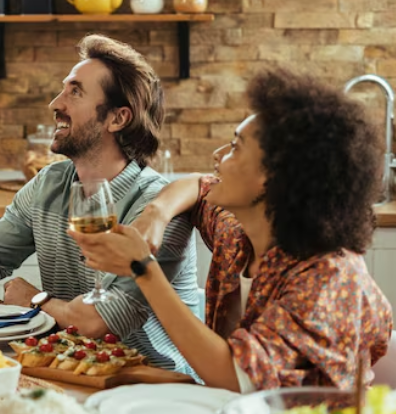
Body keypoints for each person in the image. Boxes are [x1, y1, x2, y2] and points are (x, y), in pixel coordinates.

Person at [71, 67, 393, 391]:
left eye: (235, 147)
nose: (218, 156)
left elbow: (239, 377)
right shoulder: (237, 236)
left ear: (273, 176)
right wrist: (156, 214)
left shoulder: (330, 279)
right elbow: (198, 185)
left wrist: (142, 268)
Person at [0, 34, 200, 376]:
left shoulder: (154, 210)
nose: (55, 103)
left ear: (117, 119)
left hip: (152, 384)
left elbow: (98, 322)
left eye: (75, 91)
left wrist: (37, 301)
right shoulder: (49, 183)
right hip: (69, 372)